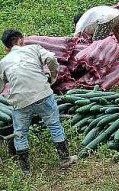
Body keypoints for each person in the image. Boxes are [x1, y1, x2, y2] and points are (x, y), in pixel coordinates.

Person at [0, 29, 77, 175]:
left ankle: (26, 170)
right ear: (21, 40)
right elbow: (52, 59)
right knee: (54, 125)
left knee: (20, 133)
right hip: (43, 95)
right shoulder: (33, 48)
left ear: (6, 48)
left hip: (20, 101)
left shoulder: (3, 62)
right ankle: (65, 159)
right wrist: (53, 76)